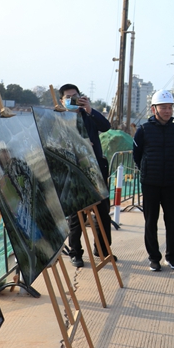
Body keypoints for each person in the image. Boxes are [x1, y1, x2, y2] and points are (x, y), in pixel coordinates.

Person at [61, 83, 114, 268]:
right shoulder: (58, 119)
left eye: (75, 96)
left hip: (95, 169)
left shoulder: (88, 115)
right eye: (68, 97)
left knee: (102, 213)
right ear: (61, 100)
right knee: (76, 216)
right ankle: (75, 253)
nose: (73, 100)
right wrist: (79, 145)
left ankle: (103, 249)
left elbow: (106, 126)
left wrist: (89, 109)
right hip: (73, 172)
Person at [133, 90, 174, 272]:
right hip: (150, 184)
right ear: (154, 108)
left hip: (171, 183)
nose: (167, 111)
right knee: (150, 222)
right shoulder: (143, 130)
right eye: (163, 107)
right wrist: (149, 170)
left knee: (172, 222)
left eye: (170, 107)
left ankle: (172, 257)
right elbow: (137, 155)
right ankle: (154, 258)